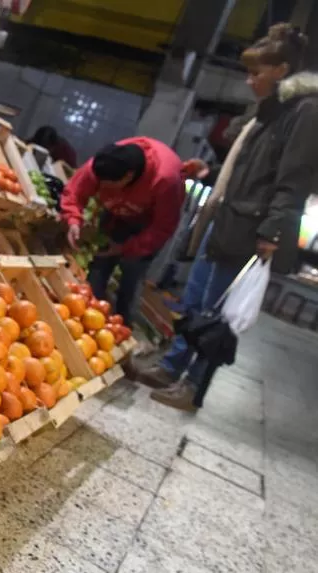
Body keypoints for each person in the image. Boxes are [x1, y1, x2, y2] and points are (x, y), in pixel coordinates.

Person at [140, 23, 318, 411]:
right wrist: (209, 170)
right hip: (227, 218)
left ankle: (193, 386)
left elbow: (294, 178)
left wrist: (272, 231)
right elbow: (245, 166)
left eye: (257, 72)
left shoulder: (303, 113)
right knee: (195, 302)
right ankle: (172, 368)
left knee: (217, 315)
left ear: (282, 70)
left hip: (250, 230)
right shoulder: (268, 113)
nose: (249, 79)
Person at [60, 138, 186, 320]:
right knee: (98, 265)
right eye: (99, 183)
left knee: (131, 276)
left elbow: (161, 228)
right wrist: (73, 220)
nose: (101, 188)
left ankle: (123, 326)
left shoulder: (166, 180)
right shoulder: (103, 164)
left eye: (108, 185)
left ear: (128, 176)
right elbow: (74, 192)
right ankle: (89, 318)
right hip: (115, 215)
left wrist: (125, 248)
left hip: (147, 225)